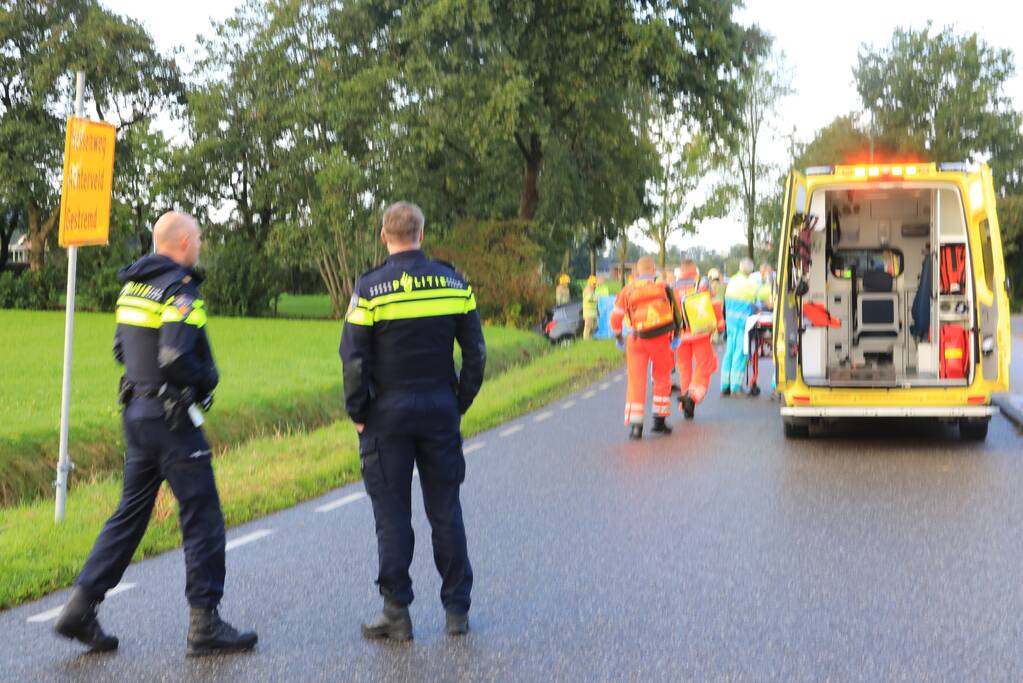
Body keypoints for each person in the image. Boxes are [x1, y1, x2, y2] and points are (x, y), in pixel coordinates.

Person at [54, 212, 257, 657]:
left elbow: (120, 348)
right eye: (198, 238)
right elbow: (175, 356)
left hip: (137, 413)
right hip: (173, 421)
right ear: (183, 242)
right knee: (202, 516)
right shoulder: (179, 289)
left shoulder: (133, 286)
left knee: (129, 514)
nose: (200, 245)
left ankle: (81, 606)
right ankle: (205, 624)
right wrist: (208, 378)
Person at [340, 201, 485, 641]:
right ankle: (456, 611)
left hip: (387, 416)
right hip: (440, 409)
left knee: (392, 516)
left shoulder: (370, 289)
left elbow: (354, 360)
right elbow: (476, 353)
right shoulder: (453, 282)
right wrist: (459, 402)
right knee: (446, 510)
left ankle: (396, 613)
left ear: (385, 236)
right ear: (421, 234)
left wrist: (358, 413)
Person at [610, 256, 682, 439]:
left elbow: (615, 319)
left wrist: (619, 338)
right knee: (662, 377)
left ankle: (636, 427)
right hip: (660, 339)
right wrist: (676, 336)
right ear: (653, 270)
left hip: (636, 339)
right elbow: (677, 315)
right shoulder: (664, 288)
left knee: (636, 381)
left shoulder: (627, 290)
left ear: (637, 271)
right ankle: (659, 421)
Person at [673, 260, 718, 419]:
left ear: (681, 270)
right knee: (706, 365)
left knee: (684, 369)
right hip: (700, 332)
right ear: (694, 269)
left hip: (680, 335)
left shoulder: (672, 287)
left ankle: (686, 407)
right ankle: (691, 397)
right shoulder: (702, 283)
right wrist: (719, 324)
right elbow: (714, 302)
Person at [719, 257, 757, 396]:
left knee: (729, 352)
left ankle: (725, 386)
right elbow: (760, 298)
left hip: (730, 322)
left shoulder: (733, 280)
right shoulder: (749, 283)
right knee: (740, 353)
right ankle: (735, 387)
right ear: (751, 269)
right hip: (742, 323)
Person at [582, 275, 598, 340]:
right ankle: (586, 339)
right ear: (590, 283)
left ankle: (590, 338)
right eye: (594, 284)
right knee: (588, 326)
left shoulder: (593, 290)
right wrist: (596, 298)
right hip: (588, 312)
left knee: (594, 327)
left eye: (595, 284)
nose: (595, 285)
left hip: (593, 312)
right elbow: (589, 299)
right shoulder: (587, 290)